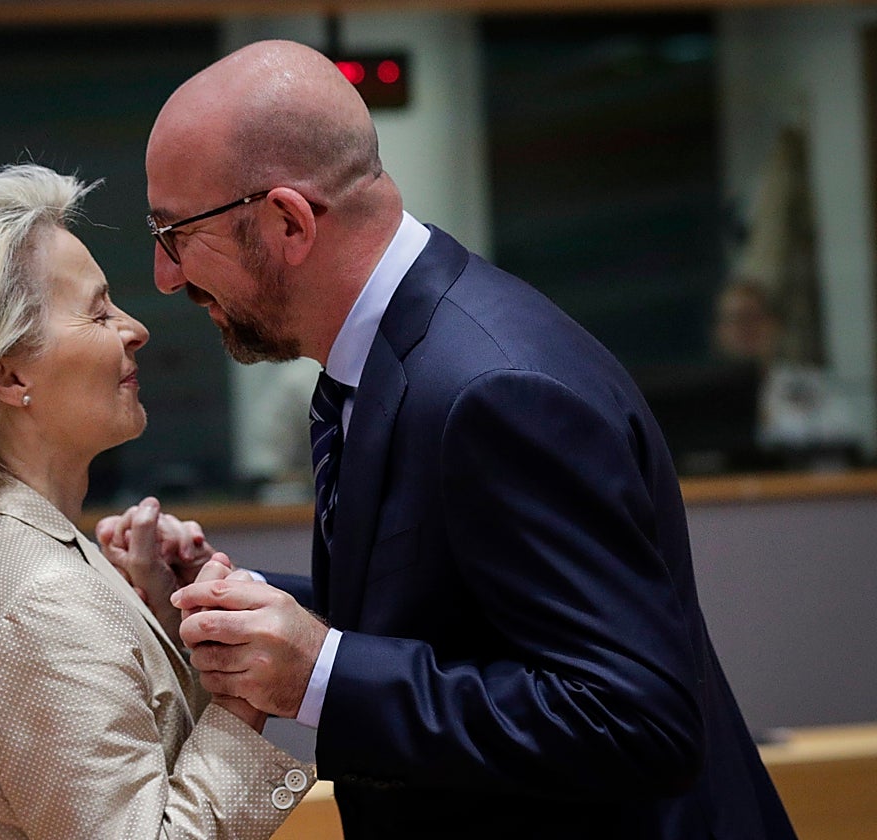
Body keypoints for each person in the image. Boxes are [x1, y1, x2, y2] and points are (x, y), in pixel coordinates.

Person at [120, 39, 797, 839]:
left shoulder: (495, 389)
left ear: (289, 222)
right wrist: (227, 594)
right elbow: (451, 613)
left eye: (174, 233)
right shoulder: (391, 357)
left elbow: (635, 719)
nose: (165, 276)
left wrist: (321, 674)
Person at [0, 163, 314, 839]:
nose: (134, 328)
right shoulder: (45, 600)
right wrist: (242, 689)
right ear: (9, 375)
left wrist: (163, 618)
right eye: (98, 311)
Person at [713, 277, 860, 456]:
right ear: (719, 331)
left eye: (752, 317)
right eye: (734, 319)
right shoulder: (707, 395)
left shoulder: (812, 385)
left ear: (775, 323)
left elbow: (841, 443)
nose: (745, 328)